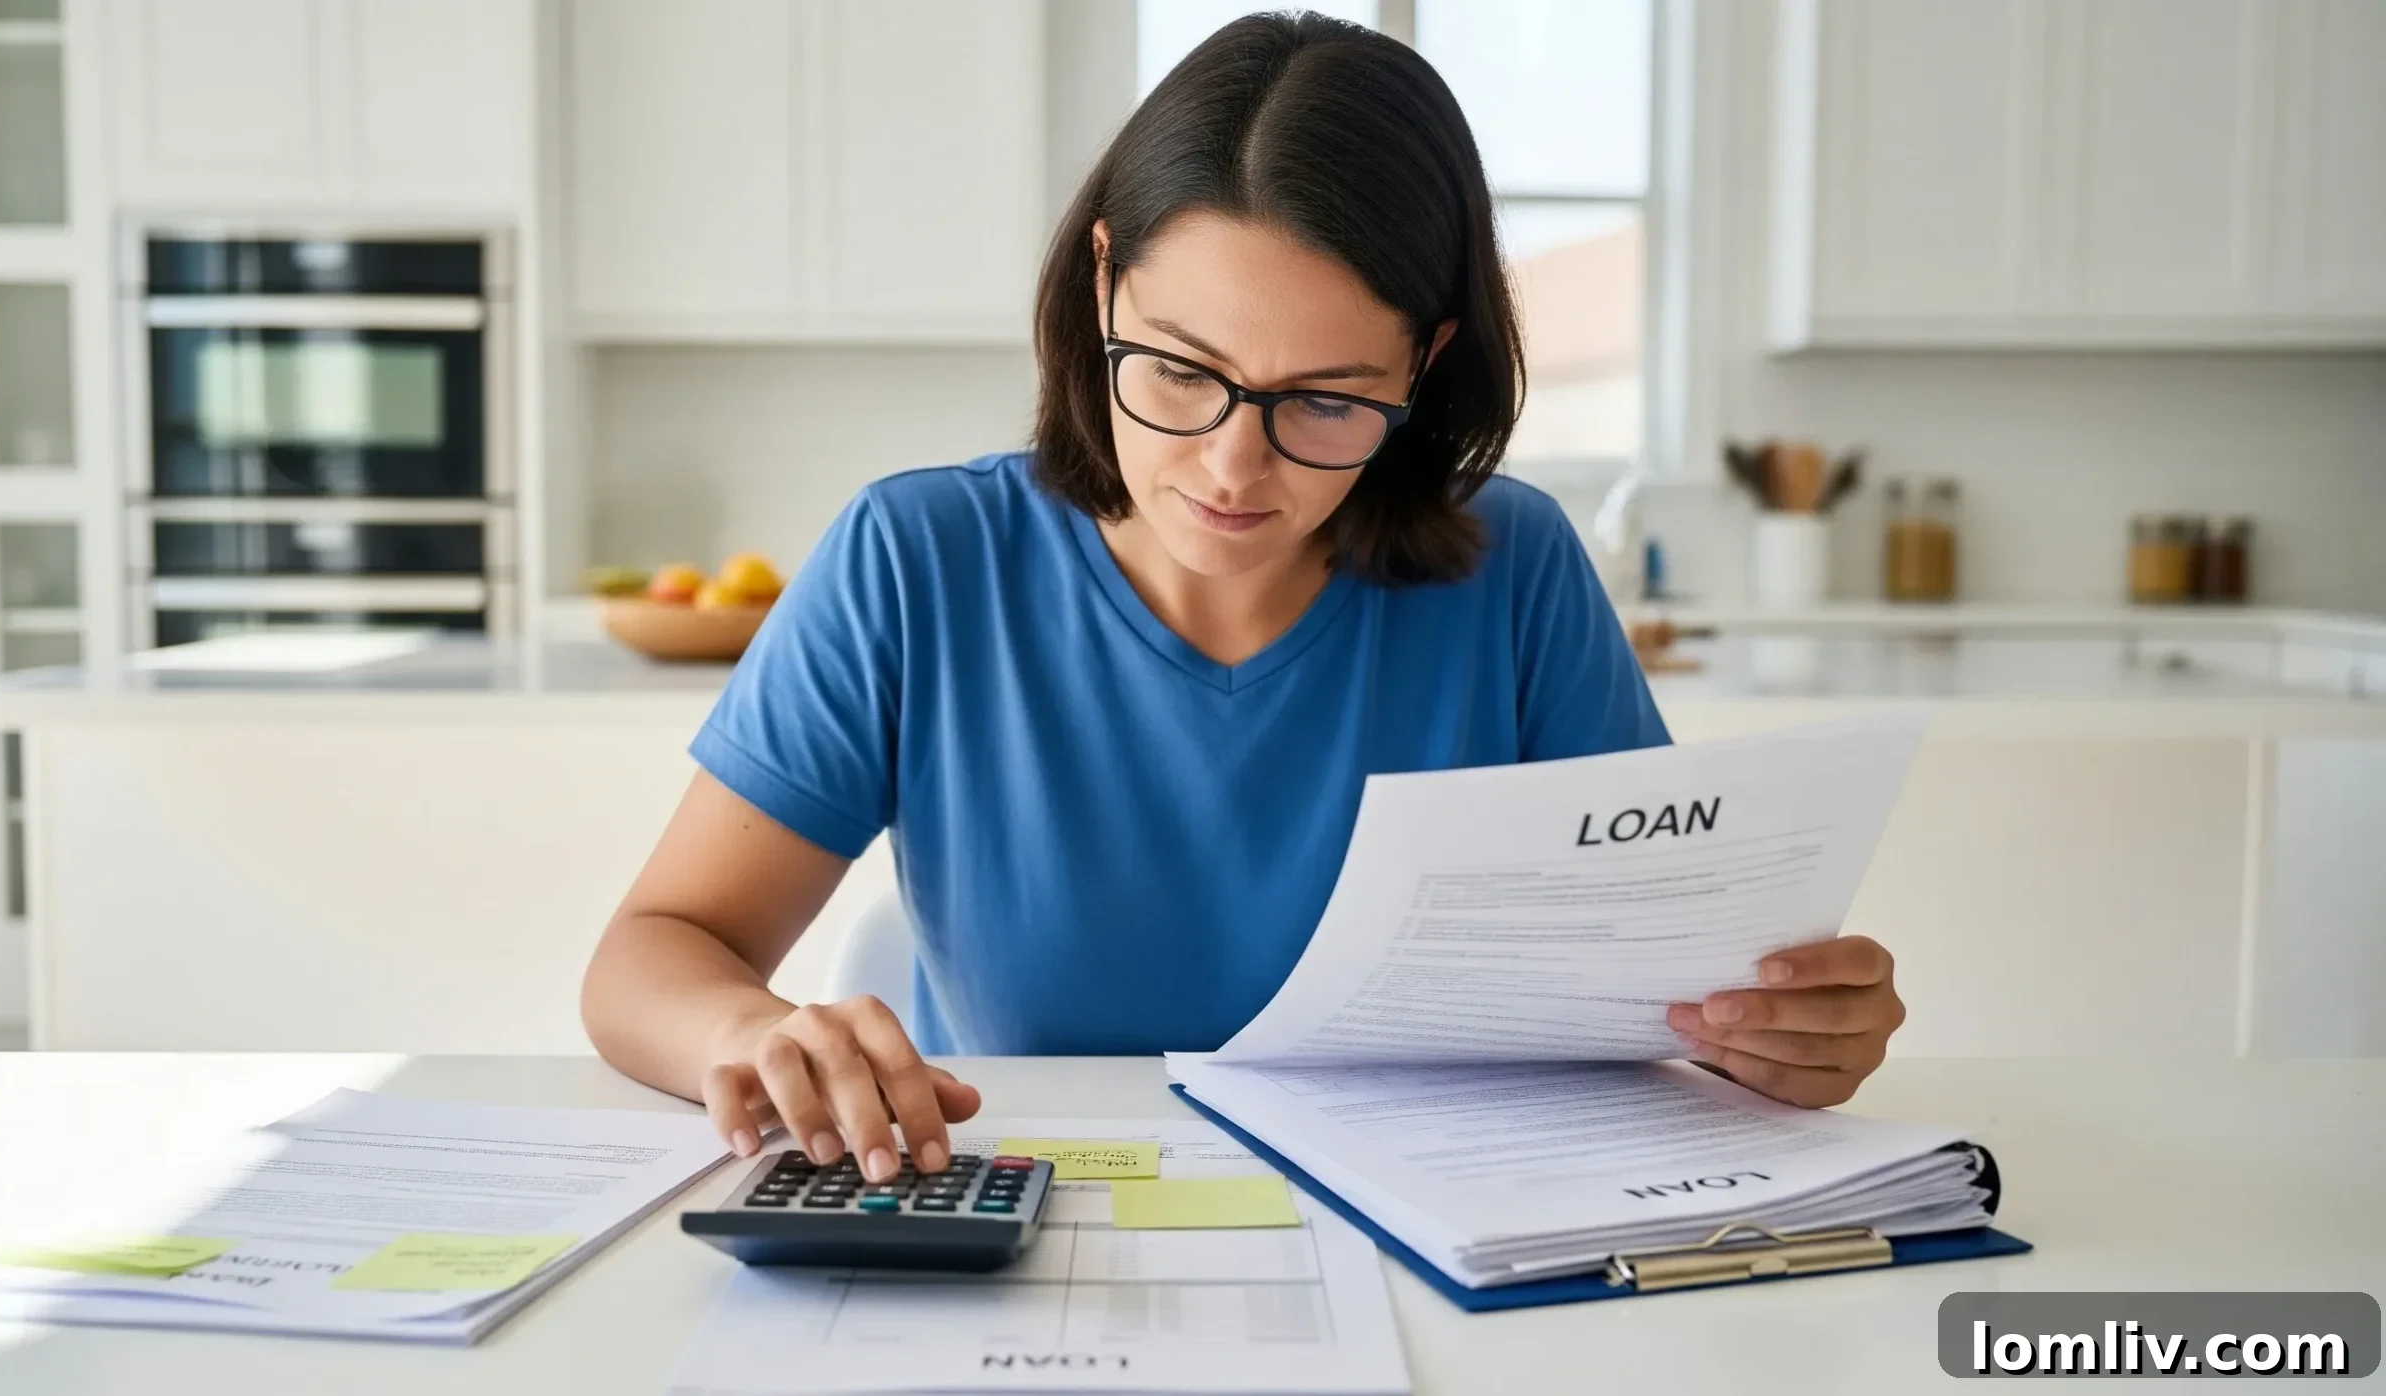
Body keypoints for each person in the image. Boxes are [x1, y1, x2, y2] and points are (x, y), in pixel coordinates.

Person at [582, 12, 1906, 1185]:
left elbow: (1661, 989)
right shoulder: (919, 559)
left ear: (1424, 363)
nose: (1230, 467)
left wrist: (1773, 1034)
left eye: (1324, 400)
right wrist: (752, 1032)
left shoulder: (1517, 570)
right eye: (1178, 369)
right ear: (1102, 280)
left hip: (1435, 1231)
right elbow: (654, 949)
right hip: (1023, 1222)